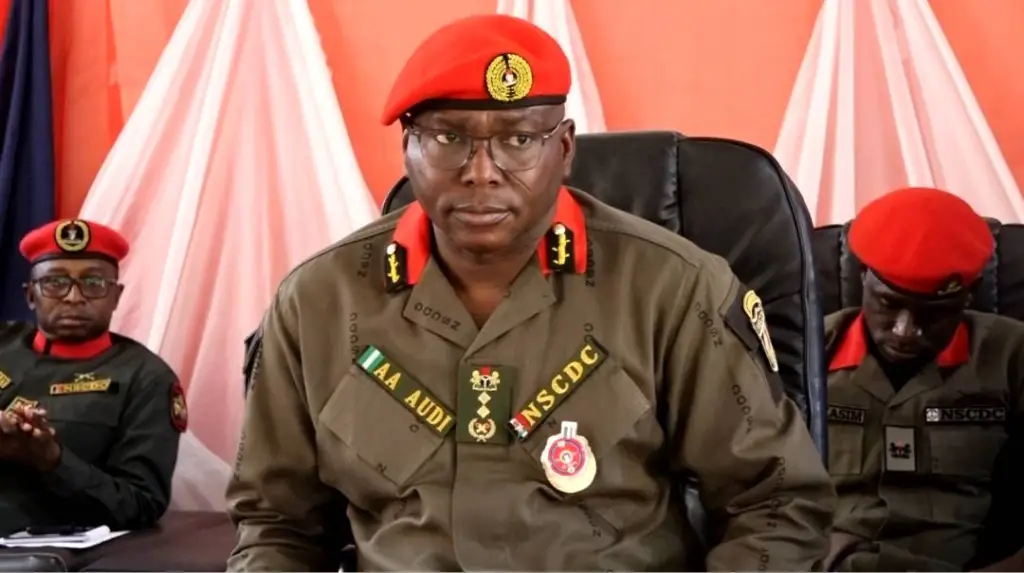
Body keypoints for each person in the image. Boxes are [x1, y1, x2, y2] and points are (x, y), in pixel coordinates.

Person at [227, 14, 835, 572]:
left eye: (518, 140)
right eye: (447, 138)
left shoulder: (672, 288)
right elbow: (276, 526)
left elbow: (775, 501)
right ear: (407, 149)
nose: (482, 171)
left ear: (564, 149)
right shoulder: (319, 302)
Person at [822, 187, 1024, 571]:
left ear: (968, 296)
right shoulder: (808, 352)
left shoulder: (1011, 354)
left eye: (933, 313)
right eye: (888, 304)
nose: (905, 331)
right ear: (863, 276)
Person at [0, 219, 185, 536]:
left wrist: (53, 460)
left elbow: (142, 503)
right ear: (30, 294)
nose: (74, 297)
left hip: (51, 550)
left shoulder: (147, 377)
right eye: (55, 282)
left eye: (94, 283)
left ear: (116, 296)